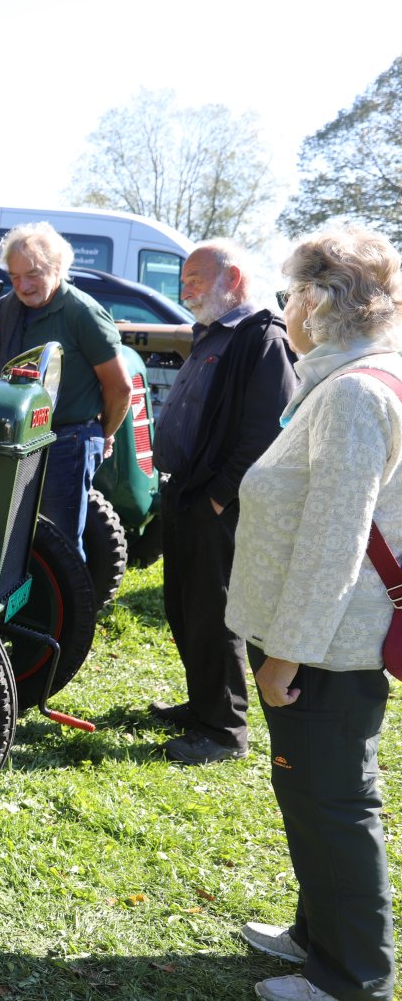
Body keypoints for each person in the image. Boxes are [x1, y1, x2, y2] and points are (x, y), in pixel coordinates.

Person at [226, 225, 402, 1001]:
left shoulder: (356, 392)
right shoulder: (351, 377)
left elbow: (334, 541)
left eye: (289, 290)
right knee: (311, 792)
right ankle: (316, 933)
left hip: (325, 648)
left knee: (333, 803)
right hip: (322, 638)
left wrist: (285, 654)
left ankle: (352, 979)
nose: (283, 305)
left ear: (317, 300)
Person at [149, 240, 297, 766]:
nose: (184, 289)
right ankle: (202, 707)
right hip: (185, 493)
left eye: (194, 279)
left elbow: (269, 430)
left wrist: (218, 496)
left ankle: (224, 730)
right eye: (183, 280)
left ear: (232, 279)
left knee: (214, 615)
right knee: (184, 608)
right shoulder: (213, 332)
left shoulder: (263, 337)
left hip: (216, 503)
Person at [0, 222, 132, 555]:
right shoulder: (7, 308)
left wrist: (103, 433)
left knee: (60, 545)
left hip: (68, 440)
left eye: (33, 274)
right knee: (13, 533)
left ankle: (70, 593)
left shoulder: (83, 313)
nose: (23, 286)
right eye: (14, 277)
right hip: (19, 438)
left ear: (57, 267)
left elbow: (120, 388)